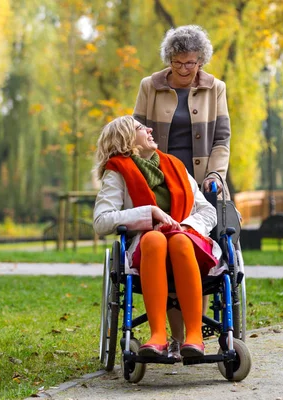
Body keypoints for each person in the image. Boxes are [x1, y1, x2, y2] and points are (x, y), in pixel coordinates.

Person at [133, 25, 231, 358]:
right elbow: (136, 136)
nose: (185, 69)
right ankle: (173, 339)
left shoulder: (215, 88)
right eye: (178, 62)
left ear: (201, 60)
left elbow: (221, 139)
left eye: (191, 62)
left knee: (197, 247)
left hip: (202, 181)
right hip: (161, 181)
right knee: (163, 246)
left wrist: (215, 174)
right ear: (169, 59)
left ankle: (193, 334)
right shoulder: (151, 86)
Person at [93, 115, 220, 358]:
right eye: (141, 128)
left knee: (179, 239)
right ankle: (158, 335)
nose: (150, 129)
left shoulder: (175, 165)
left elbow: (207, 211)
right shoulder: (117, 172)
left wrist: (183, 226)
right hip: (149, 249)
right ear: (126, 139)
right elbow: (101, 221)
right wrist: (149, 213)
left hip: (188, 242)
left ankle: (194, 336)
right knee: (154, 239)